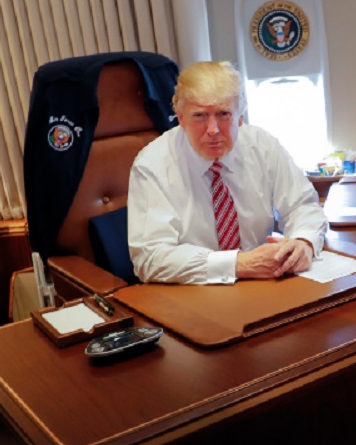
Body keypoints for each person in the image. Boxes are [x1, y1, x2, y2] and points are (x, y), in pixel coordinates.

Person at [127, 60, 328, 284]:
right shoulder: (152, 164)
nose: (213, 129)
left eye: (224, 114)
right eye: (199, 116)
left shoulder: (262, 145)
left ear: (240, 117)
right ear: (181, 117)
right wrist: (238, 264)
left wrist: (304, 241)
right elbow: (150, 258)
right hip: (192, 288)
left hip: (264, 281)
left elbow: (302, 206)